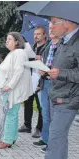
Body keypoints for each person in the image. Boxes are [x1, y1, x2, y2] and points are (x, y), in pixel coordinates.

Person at [24, 17, 79, 159]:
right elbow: (59, 67)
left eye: (54, 23)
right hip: (56, 96)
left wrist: (60, 73)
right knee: (60, 141)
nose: (51, 27)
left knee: (54, 142)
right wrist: (48, 72)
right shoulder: (63, 42)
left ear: (68, 23)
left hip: (68, 100)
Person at [0, 32, 33, 149]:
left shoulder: (19, 53)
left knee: (9, 114)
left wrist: (10, 86)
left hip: (12, 89)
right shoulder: (13, 53)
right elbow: (9, 70)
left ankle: (7, 140)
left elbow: (18, 71)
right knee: (12, 113)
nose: (7, 41)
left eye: (9, 39)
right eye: (6, 39)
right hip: (9, 88)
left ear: (17, 42)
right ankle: (12, 138)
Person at [32, 22, 61, 152]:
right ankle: (45, 138)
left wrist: (47, 69)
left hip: (55, 84)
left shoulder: (63, 45)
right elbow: (46, 61)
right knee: (45, 112)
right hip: (44, 82)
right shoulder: (49, 44)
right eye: (50, 28)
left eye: (54, 27)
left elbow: (62, 65)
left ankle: (53, 144)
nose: (51, 30)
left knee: (53, 114)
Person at [19, 26, 47, 138]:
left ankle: (39, 129)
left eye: (39, 34)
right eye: (35, 34)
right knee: (28, 101)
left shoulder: (47, 47)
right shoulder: (32, 47)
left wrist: (41, 58)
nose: (36, 36)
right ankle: (27, 125)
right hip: (31, 77)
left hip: (41, 78)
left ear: (45, 35)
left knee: (40, 105)